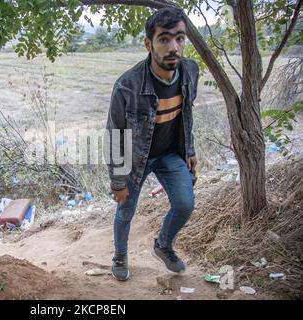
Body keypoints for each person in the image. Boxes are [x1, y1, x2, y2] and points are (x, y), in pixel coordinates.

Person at [104, 7, 199, 281]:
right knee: (125, 210)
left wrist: (189, 150)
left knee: (184, 204)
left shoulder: (190, 71)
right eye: (164, 39)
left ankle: (163, 245)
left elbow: (187, 113)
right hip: (136, 160)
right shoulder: (127, 85)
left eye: (179, 39)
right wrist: (118, 182)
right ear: (148, 43)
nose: (174, 47)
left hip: (170, 154)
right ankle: (120, 256)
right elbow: (114, 136)